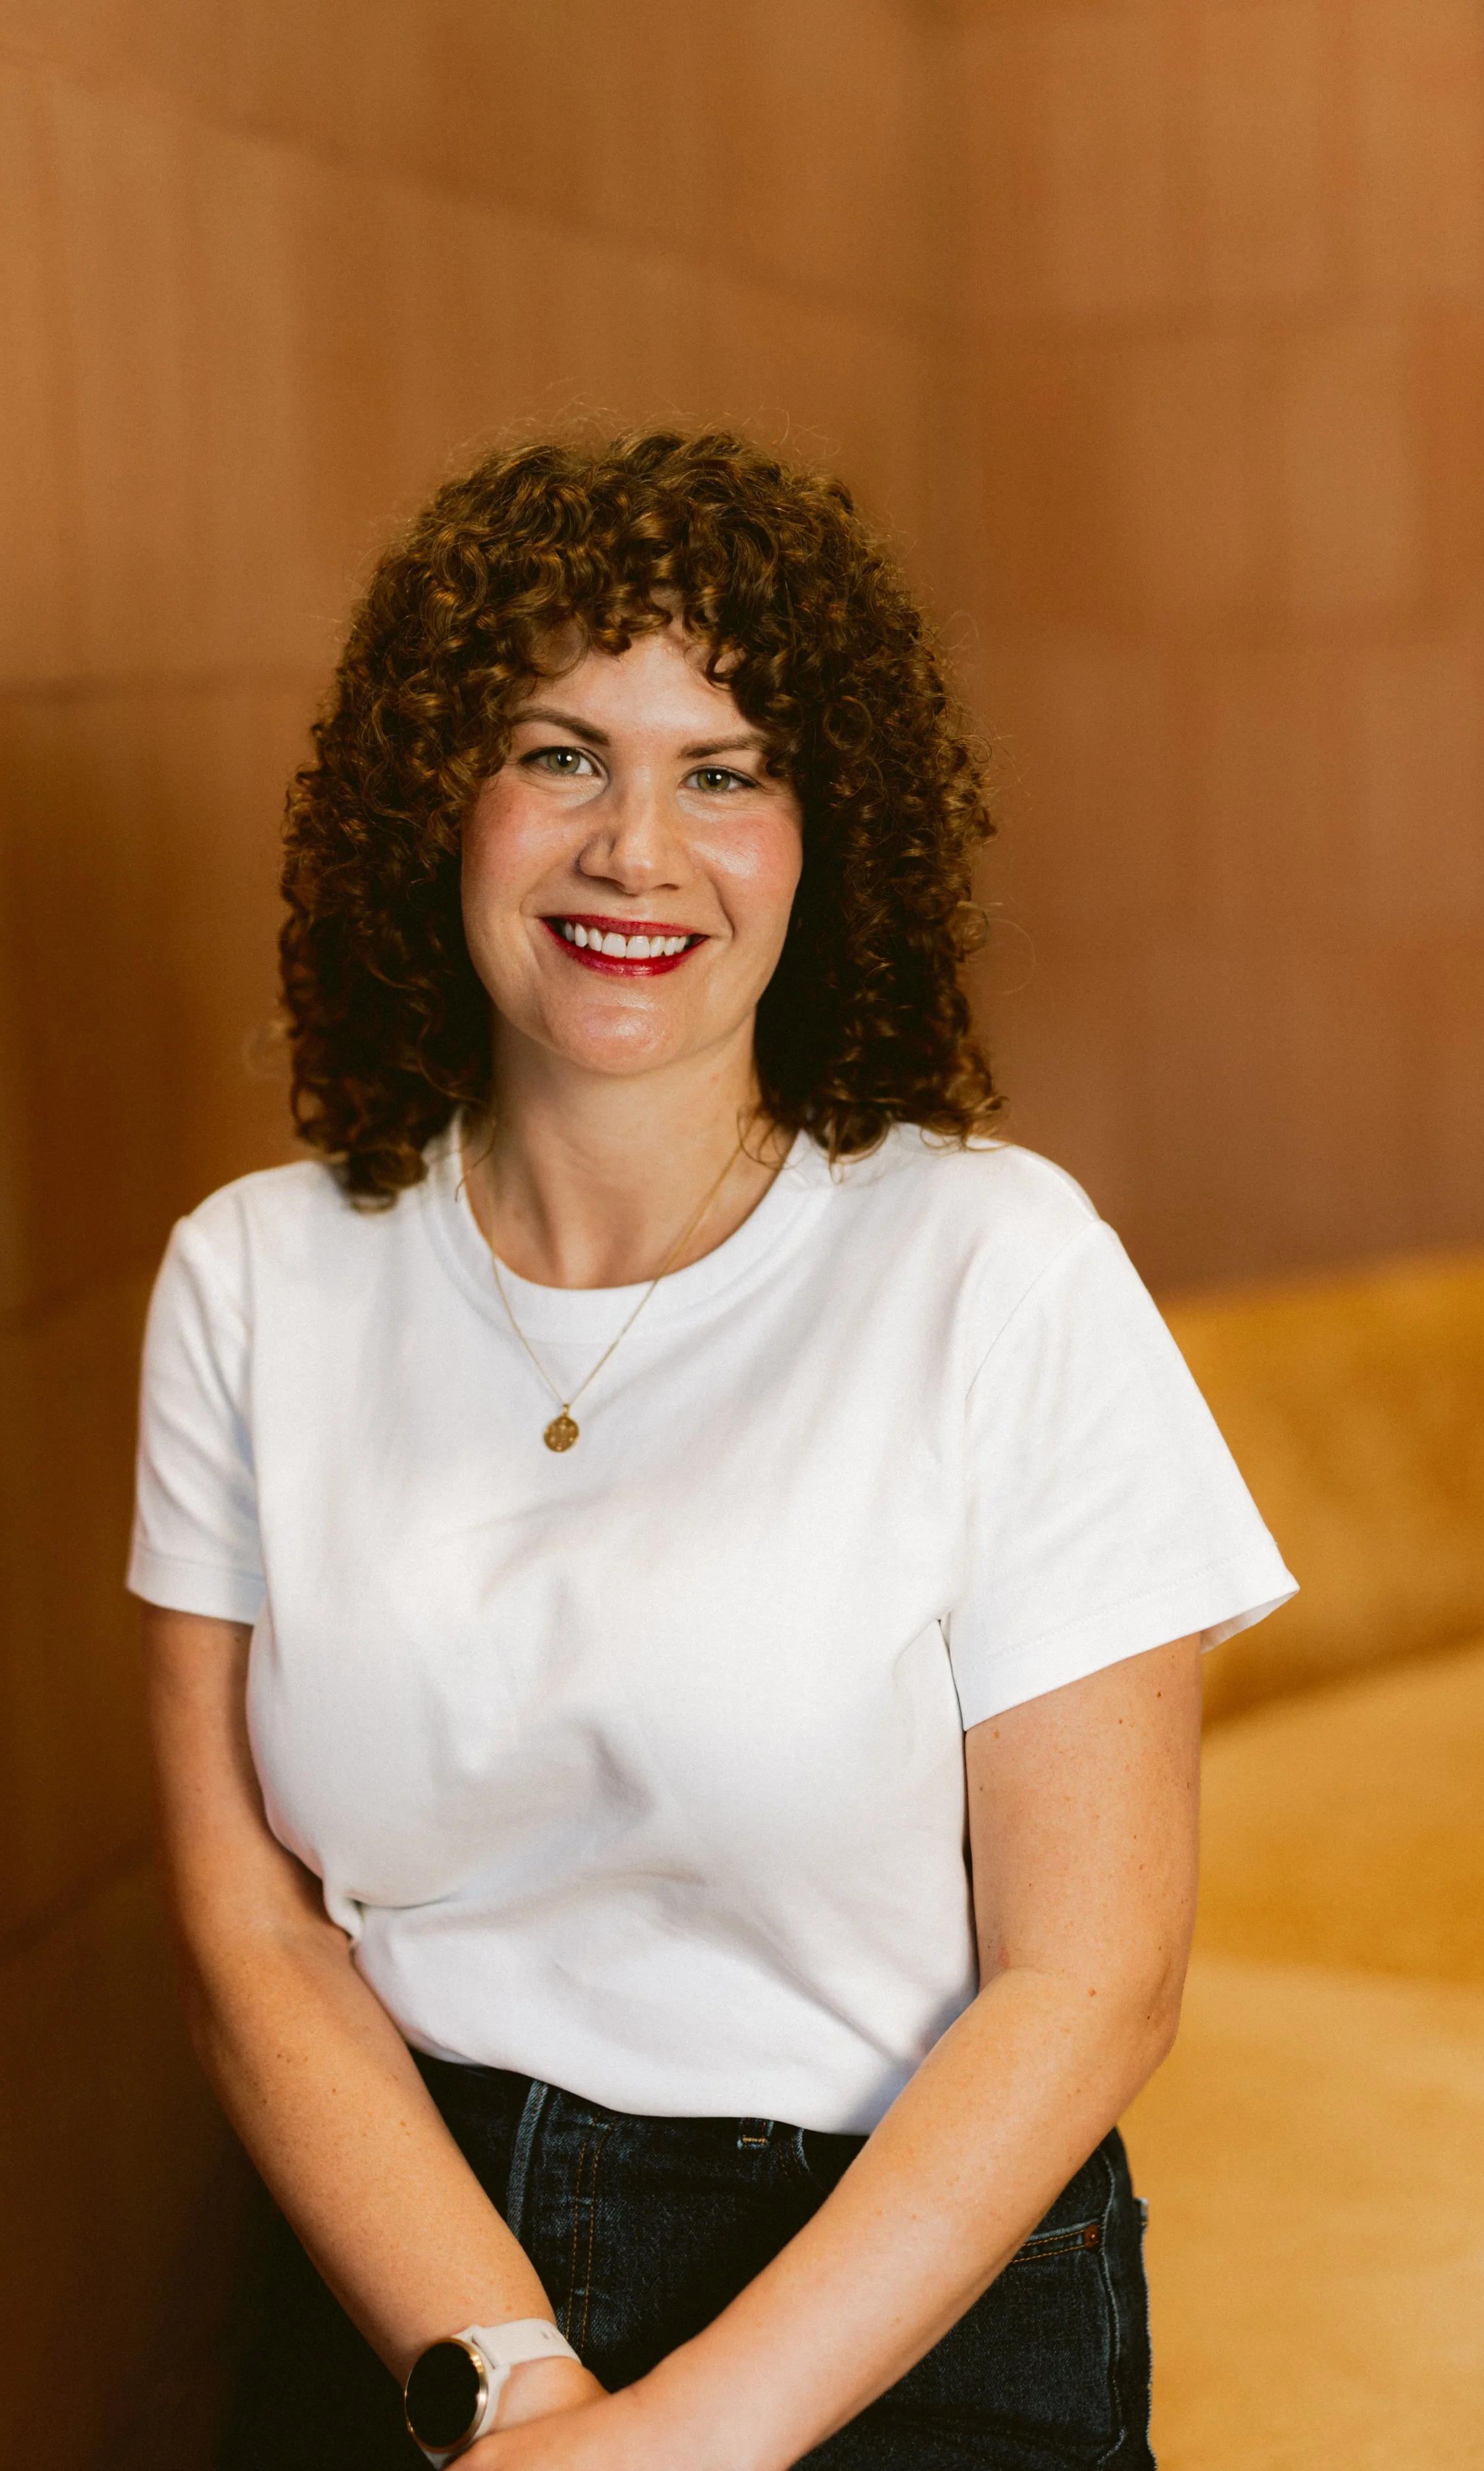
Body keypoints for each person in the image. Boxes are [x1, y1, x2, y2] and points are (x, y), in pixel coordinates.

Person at [130, 429, 1295, 2470]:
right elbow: (251, 1935)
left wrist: (684, 2437)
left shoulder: (991, 1265)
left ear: (825, 833)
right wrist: (515, 2382)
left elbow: (1091, 1979)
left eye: (723, 768)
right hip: (412, 2266)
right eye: (559, 753)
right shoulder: (255, 1281)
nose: (633, 849)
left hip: (906, 2285)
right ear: (442, 802)